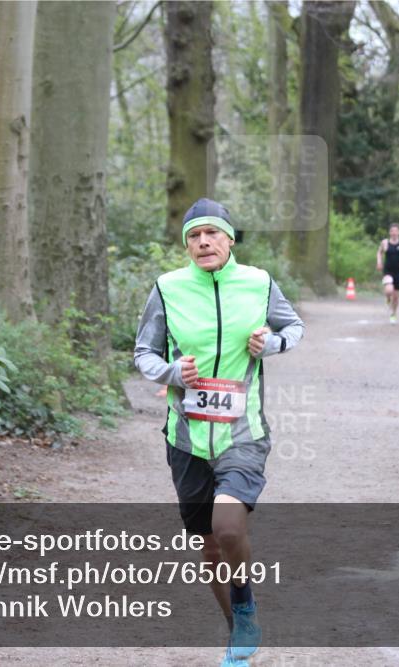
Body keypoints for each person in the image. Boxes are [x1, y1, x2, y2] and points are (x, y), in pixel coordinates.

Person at [134, 198, 304, 667]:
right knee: (207, 546)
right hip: (185, 438)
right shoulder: (167, 288)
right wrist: (172, 373)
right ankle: (238, 633)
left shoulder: (258, 283)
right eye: (194, 235)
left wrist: (271, 342)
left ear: (229, 239)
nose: (203, 242)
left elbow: (294, 328)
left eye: (212, 233)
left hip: (241, 432)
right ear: (186, 244)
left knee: (228, 526)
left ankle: (245, 602)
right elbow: (143, 353)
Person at [375, 223, 399, 324]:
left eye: (396, 231)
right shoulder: (385, 242)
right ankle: (388, 297)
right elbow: (379, 252)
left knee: (396, 296)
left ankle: (393, 314)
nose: (394, 233)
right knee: (388, 290)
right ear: (389, 232)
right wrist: (379, 262)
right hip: (388, 271)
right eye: (392, 231)